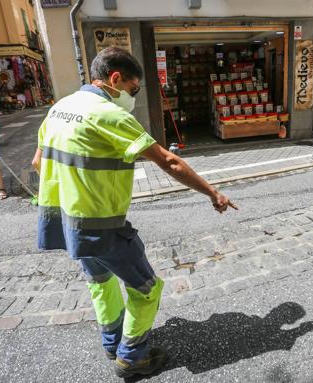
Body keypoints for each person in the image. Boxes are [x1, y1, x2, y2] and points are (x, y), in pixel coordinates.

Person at [32, 47, 237, 378]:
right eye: (133, 89)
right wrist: (214, 193)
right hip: (104, 225)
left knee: (101, 283)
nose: (132, 97)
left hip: (69, 222)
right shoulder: (109, 115)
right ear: (115, 79)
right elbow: (169, 160)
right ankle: (131, 357)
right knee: (147, 288)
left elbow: (38, 162)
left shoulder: (59, 108)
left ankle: (112, 341)